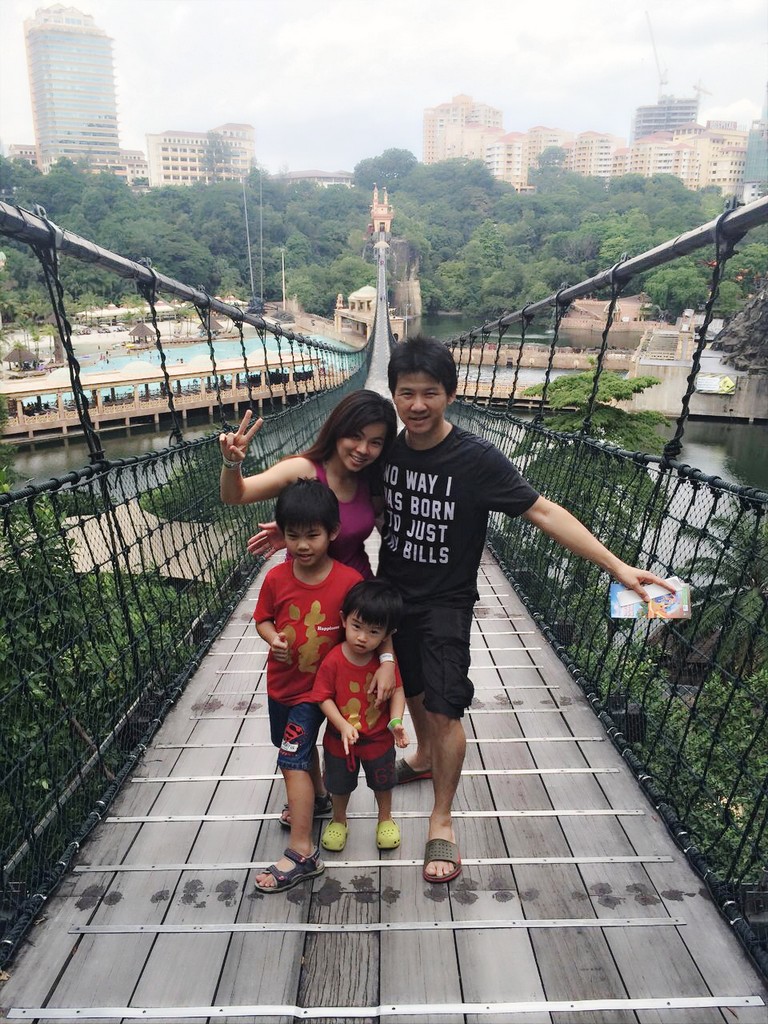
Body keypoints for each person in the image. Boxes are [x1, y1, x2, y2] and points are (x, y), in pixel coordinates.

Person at [377, 335, 672, 884]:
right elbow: (342, 485)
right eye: (406, 393)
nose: (417, 405)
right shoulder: (386, 449)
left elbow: (543, 510)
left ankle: (442, 818)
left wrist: (616, 567)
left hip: (446, 601)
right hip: (392, 596)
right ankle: (420, 759)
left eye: (430, 393)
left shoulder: (475, 459)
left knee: (444, 707)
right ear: (393, 395)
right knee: (413, 688)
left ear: (451, 394)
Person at [252, 478, 362, 894]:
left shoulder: (348, 581)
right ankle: (315, 799)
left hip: (320, 692)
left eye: (312, 535)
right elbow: (263, 618)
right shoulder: (276, 579)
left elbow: (363, 630)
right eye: (293, 535)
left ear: (332, 532)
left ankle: (302, 852)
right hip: (281, 685)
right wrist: (271, 638)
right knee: (292, 747)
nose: (302, 545)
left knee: (291, 757)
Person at [219, 389, 398, 578]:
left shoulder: (372, 478)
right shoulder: (302, 469)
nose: (363, 449)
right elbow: (235, 495)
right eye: (355, 436)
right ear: (338, 429)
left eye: (375, 442)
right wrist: (231, 462)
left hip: (358, 594)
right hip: (305, 595)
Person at [310, 579, 408, 853]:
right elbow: (322, 697)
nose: (362, 637)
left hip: (378, 738)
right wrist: (340, 724)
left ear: (389, 634)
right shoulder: (333, 660)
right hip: (340, 740)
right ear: (343, 620)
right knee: (339, 784)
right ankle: (339, 820)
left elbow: (398, 690)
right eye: (356, 627)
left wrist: (396, 721)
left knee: (383, 780)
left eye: (374, 631)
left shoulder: (384, 665)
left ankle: (385, 818)